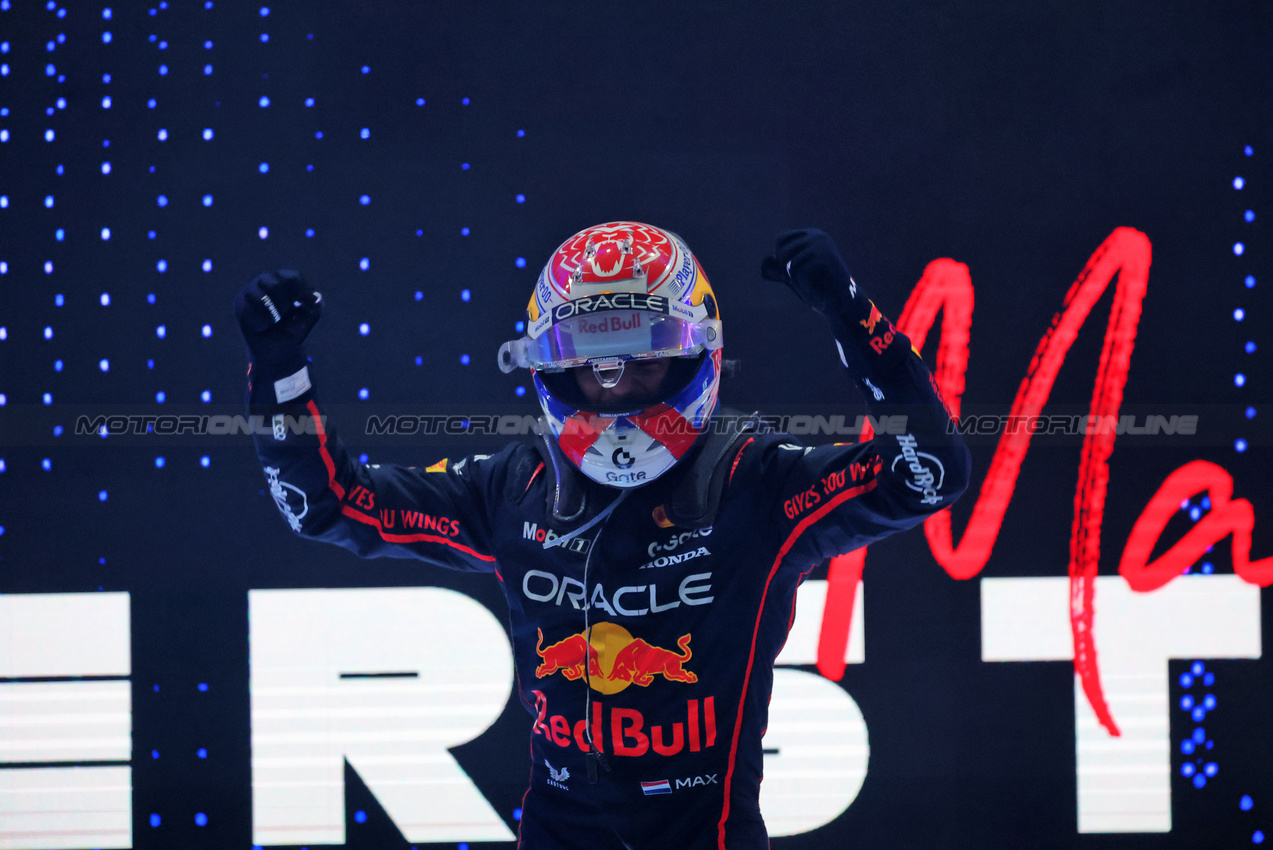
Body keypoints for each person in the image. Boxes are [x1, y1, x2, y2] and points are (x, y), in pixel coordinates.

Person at [234, 222, 970, 849]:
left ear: (693, 355)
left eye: (642, 358)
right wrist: (280, 375)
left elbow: (930, 474)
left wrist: (853, 319)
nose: (613, 385)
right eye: (588, 366)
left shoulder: (759, 483)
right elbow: (327, 506)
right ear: (550, 367)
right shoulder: (511, 488)